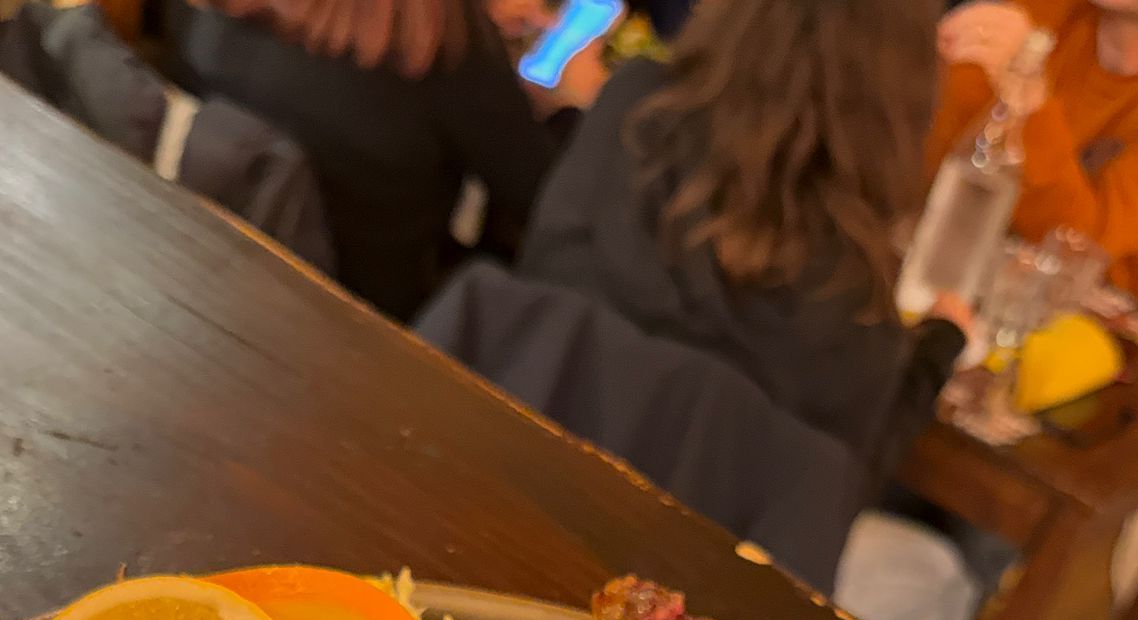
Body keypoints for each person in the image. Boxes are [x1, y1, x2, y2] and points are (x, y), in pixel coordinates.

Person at [518, 0, 969, 479]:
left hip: (510, 460)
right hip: (666, 539)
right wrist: (941, 347)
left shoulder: (634, 112)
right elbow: (835, 490)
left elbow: (538, 286)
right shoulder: (856, 300)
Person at [166, 0, 559, 319]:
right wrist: (572, 107)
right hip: (381, 327)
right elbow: (542, 198)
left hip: (222, 290)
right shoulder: (442, 45)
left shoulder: (211, 19)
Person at [931, 0, 1138, 303]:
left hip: (1100, 330)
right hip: (957, 278)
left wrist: (1029, 103)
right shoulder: (1045, 11)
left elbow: (1075, 250)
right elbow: (930, 157)